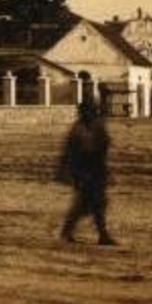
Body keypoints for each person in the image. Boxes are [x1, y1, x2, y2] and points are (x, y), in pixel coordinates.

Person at [58, 99, 116, 246]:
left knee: (96, 203)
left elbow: (104, 147)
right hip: (83, 169)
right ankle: (70, 231)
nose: (91, 113)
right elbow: (69, 151)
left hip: (96, 167)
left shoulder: (97, 126)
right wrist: (67, 171)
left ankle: (100, 234)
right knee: (86, 203)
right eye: (89, 110)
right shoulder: (78, 129)